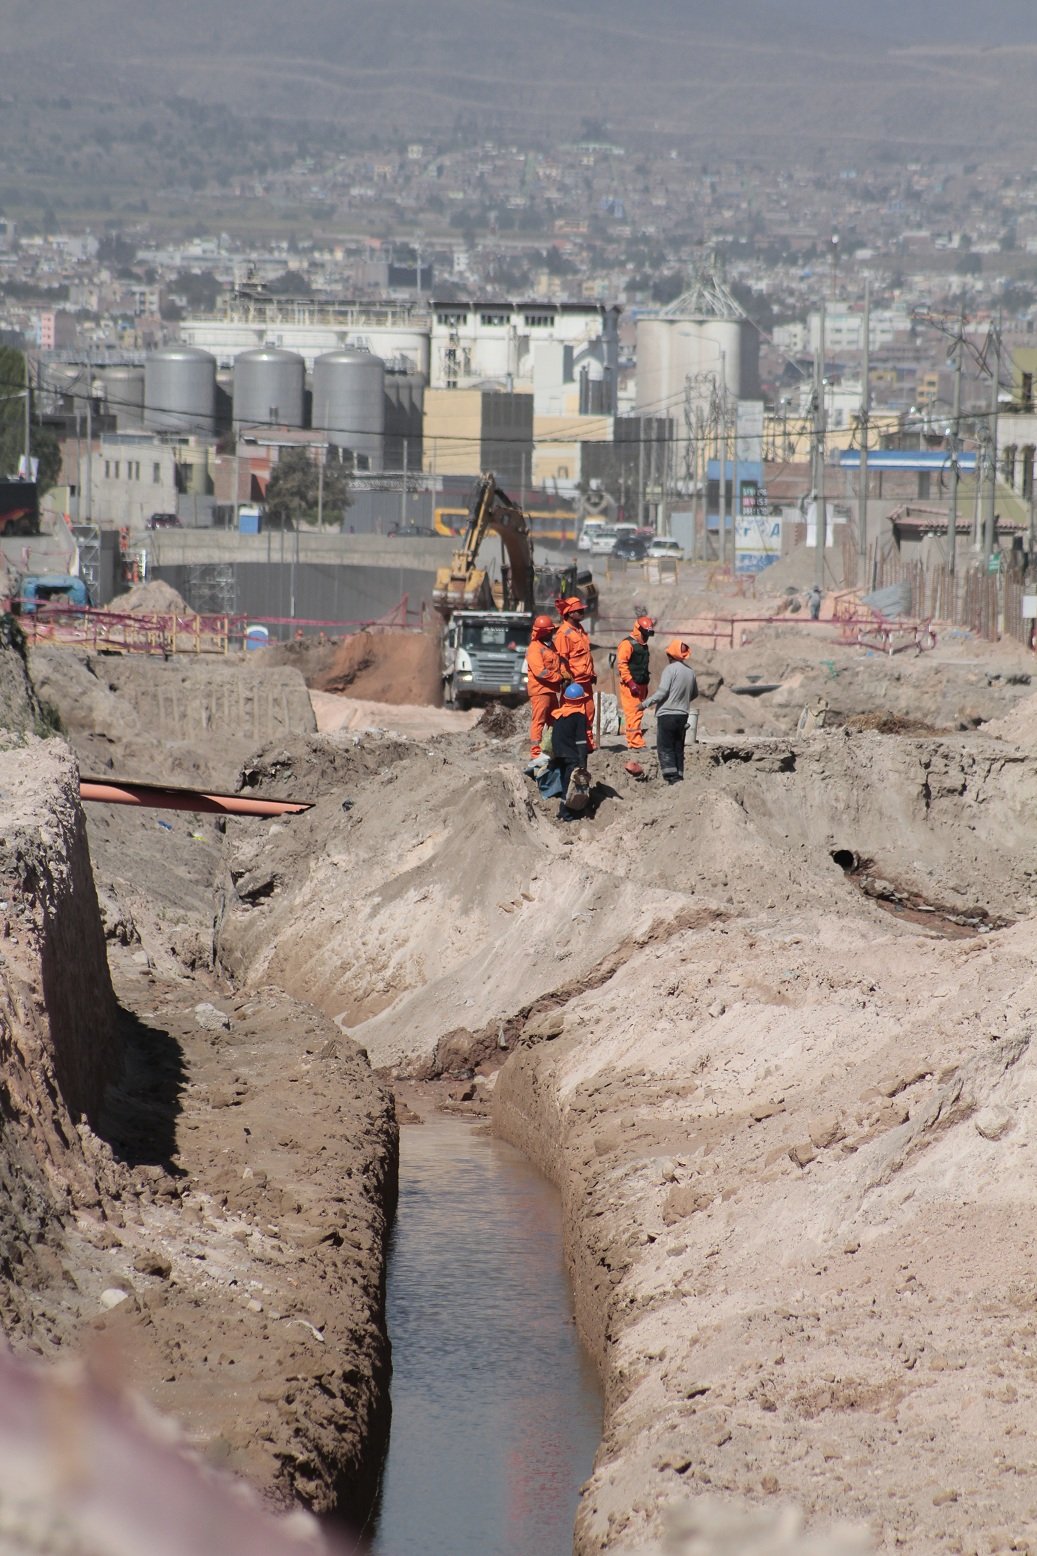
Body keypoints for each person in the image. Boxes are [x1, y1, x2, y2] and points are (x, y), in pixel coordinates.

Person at [643, 639, 698, 784]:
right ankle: (679, 777)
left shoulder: (669, 670)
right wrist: (682, 700)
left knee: (666, 747)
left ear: (670, 655)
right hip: (683, 715)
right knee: (678, 747)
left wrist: (645, 704)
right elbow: (694, 694)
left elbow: (662, 693)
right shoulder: (690, 672)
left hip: (667, 715)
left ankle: (671, 779)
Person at [553, 596, 597, 750]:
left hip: (585, 680)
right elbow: (561, 658)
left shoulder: (580, 630)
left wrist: (592, 672)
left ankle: (587, 743)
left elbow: (586, 654)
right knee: (571, 714)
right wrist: (566, 677)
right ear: (570, 613)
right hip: (573, 682)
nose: (582, 612)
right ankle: (570, 744)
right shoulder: (563, 633)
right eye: (579, 610)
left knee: (589, 710)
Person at [550, 682, 591, 822]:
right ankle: (565, 813)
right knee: (570, 785)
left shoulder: (559, 714)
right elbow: (581, 740)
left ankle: (564, 810)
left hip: (559, 754)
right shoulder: (579, 716)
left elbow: (554, 737)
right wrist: (582, 761)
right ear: (580, 700)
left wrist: (555, 756)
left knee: (564, 782)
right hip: (571, 756)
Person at [615, 614, 655, 751]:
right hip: (630, 686)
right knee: (633, 714)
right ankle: (635, 743)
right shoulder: (627, 644)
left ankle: (635, 742)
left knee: (638, 713)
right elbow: (622, 665)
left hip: (641, 684)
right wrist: (631, 683)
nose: (647, 637)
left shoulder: (643, 645)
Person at [526, 613, 563, 758]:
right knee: (539, 721)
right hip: (540, 691)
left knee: (555, 720)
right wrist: (558, 678)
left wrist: (563, 675)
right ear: (542, 632)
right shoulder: (534, 648)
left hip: (551, 690)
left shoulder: (550, 646)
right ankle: (536, 752)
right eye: (549, 631)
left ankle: (552, 747)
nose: (552, 633)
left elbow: (557, 663)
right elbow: (540, 672)